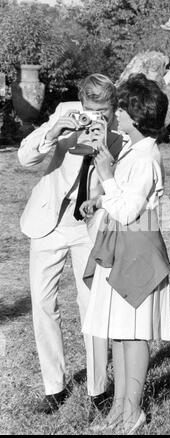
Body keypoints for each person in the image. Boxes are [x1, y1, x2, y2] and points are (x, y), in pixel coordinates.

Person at [18, 74, 128, 415]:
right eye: (91, 109)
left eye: (104, 110)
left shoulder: (123, 134)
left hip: (89, 226)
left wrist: (104, 148)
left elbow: (120, 189)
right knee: (43, 304)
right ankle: (55, 386)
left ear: (115, 107)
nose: (97, 115)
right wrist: (53, 134)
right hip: (48, 223)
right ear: (81, 104)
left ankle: (98, 388)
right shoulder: (64, 114)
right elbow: (26, 159)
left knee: (91, 307)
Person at [80, 73, 170, 435]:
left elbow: (129, 210)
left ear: (134, 117)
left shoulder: (146, 155)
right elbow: (124, 199)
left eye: (120, 110)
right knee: (119, 332)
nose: (114, 115)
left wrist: (105, 175)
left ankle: (132, 413)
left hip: (136, 251)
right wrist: (100, 199)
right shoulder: (136, 149)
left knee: (133, 335)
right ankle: (118, 411)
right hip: (123, 245)